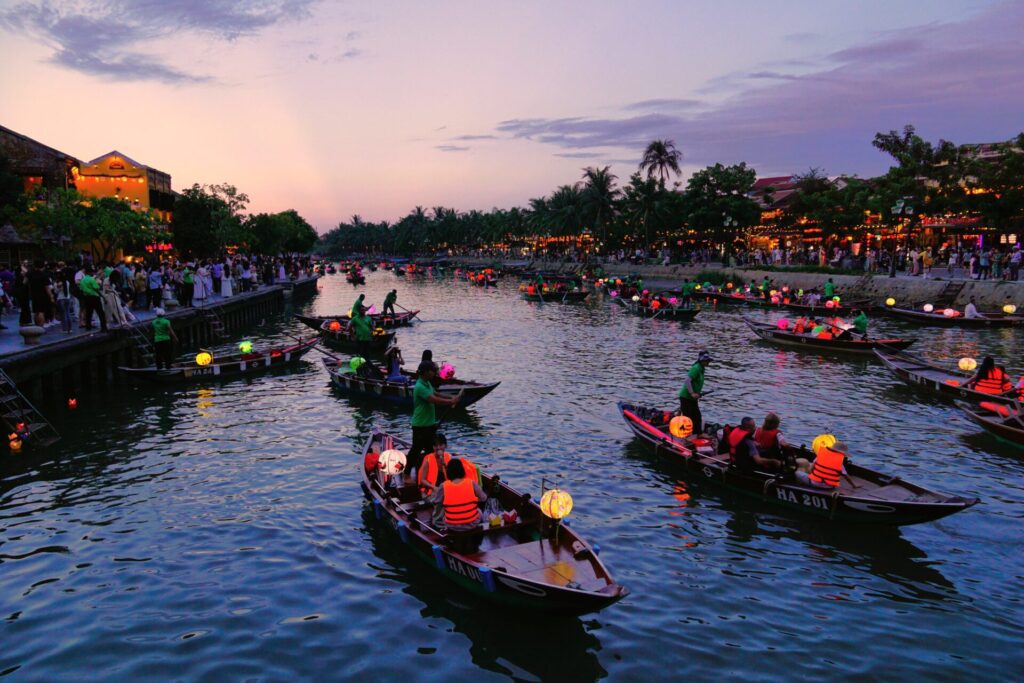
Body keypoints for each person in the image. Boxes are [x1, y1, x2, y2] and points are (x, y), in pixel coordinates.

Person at [407, 361, 462, 475]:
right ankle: (406, 473)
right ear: (426, 372)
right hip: (420, 425)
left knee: (430, 451)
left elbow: (436, 394)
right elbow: (434, 400)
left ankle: (430, 472)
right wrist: (450, 401)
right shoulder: (420, 386)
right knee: (416, 450)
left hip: (429, 424)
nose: (434, 373)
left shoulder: (427, 383)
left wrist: (452, 397)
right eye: (432, 371)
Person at [429, 457, 486, 530]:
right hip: (472, 523)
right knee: (479, 511)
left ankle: (438, 524)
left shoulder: (443, 486)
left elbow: (435, 502)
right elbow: (484, 498)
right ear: (462, 470)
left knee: (443, 510)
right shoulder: (471, 483)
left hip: (451, 525)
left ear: (448, 472)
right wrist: (472, 499)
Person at [418, 432, 478, 498]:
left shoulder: (448, 458)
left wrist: (446, 466)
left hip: (446, 489)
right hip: (430, 491)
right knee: (442, 499)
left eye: (441, 445)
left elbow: (453, 478)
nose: (438, 448)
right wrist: (434, 487)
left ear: (445, 445)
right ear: (433, 447)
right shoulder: (428, 460)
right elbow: (422, 480)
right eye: (435, 445)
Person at [678, 350, 711, 435]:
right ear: (701, 360)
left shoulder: (702, 369)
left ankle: (698, 434)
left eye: (708, 360)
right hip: (686, 397)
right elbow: (687, 381)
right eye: (706, 360)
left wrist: (697, 394)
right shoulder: (696, 368)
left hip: (692, 398)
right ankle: (686, 435)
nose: (708, 362)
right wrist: (692, 393)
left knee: (697, 416)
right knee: (688, 418)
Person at [79, 266, 106, 332]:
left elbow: (81, 289)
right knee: (100, 313)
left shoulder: (82, 280)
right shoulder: (92, 279)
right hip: (95, 297)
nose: (93, 273)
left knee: (88, 313)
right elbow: (96, 289)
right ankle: (104, 328)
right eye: (92, 272)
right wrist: (103, 297)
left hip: (87, 298)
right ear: (90, 272)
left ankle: (88, 327)